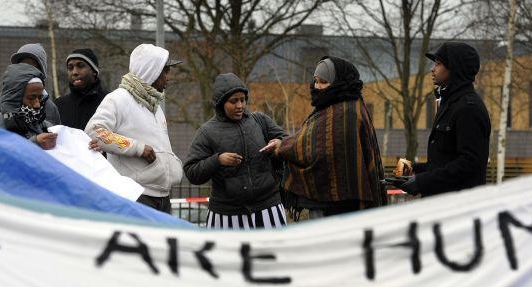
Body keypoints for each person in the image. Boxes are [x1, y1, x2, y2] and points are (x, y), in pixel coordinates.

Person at [263, 56, 385, 220]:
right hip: (336, 201)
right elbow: (309, 139)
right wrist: (283, 143)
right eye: (315, 81)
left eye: (323, 82)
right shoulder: (342, 106)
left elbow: (313, 149)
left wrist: (281, 147)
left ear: (338, 83)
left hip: (336, 207)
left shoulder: (344, 112)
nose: (317, 87)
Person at [86, 44, 183, 214]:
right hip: (136, 195)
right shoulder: (118, 98)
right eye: (165, 71)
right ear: (151, 71)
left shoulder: (155, 105)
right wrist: (137, 148)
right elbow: (95, 131)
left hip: (162, 197)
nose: (169, 77)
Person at [183, 73, 287, 229]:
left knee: (273, 252)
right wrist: (217, 160)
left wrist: (279, 143)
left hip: (268, 207)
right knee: (225, 255)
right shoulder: (206, 131)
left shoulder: (260, 120)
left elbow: (288, 142)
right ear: (221, 103)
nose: (240, 105)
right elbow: (192, 172)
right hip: (225, 214)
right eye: (233, 101)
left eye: (243, 100)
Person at [396, 42, 491, 197]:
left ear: (455, 68)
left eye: (439, 64)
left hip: (458, 207)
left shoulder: (468, 108)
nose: (432, 69)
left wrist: (422, 182)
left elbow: (470, 163)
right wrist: (410, 169)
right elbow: (442, 162)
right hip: (442, 202)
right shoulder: (450, 104)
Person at [0, 43, 61, 125]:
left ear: (42, 73)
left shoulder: (51, 108)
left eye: (32, 66)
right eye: (22, 65)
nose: (26, 70)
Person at [0, 64, 57, 150]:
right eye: (31, 98)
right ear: (14, 98)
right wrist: (34, 144)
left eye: (40, 97)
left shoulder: (47, 127)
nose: (37, 105)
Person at [54, 48, 109, 130]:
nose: (74, 72)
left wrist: (105, 141)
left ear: (94, 72)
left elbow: (123, 138)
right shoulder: (58, 105)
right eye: (70, 68)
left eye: (80, 66)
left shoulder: (109, 101)